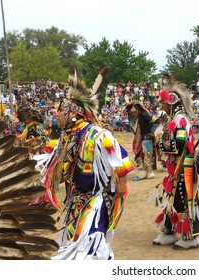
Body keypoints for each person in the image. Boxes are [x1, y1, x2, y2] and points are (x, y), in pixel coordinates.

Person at [38, 69, 135, 260]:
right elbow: (55, 168)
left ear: (72, 113)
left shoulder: (97, 135)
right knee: (74, 243)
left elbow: (120, 156)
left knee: (91, 245)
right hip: (76, 199)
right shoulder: (66, 138)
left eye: (59, 110)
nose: (55, 114)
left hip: (96, 198)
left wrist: (122, 184)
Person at [150, 74, 199, 250]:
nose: (161, 106)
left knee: (182, 199)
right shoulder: (171, 120)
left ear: (172, 102)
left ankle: (190, 237)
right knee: (169, 198)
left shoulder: (180, 120)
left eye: (163, 103)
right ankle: (169, 232)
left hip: (184, 166)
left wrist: (160, 144)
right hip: (175, 165)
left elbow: (180, 145)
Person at [126, 101, 155, 181]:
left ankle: (148, 172)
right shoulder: (140, 117)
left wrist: (153, 132)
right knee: (142, 155)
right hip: (142, 139)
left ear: (138, 110)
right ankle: (145, 172)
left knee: (147, 156)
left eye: (134, 112)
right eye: (132, 113)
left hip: (147, 138)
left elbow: (153, 120)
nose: (133, 114)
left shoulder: (143, 115)